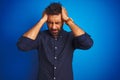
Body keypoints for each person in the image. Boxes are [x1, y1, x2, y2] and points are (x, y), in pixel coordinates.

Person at [17, 2, 93, 80]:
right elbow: (22, 46)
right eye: (50, 22)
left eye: (57, 23)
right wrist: (42, 20)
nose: (53, 27)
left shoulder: (71, 37)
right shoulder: (40, 37)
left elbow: (88, 44)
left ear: (63, 22)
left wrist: (69, 21)